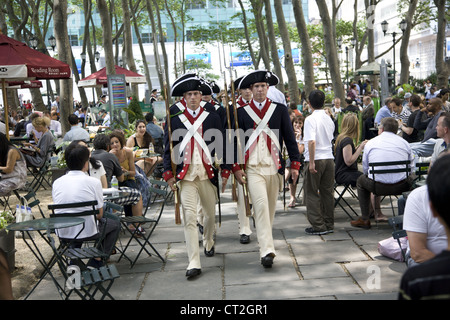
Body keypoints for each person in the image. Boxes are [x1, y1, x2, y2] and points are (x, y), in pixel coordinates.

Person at [162, 74, 231, 278]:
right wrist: (168, 173)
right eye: (189, 94)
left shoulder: (212, 115)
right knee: (190, 217)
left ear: (202, 95)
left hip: (207, 173)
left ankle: (208, 240)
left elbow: (222, 144)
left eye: (196, 93)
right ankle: (193, 261)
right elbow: (168, 147)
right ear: (183, 96)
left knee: (209, 215)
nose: (193, 97)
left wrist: (226, 168)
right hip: (185, 175)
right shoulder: (173, 114)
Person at [232, 70, 300, 267]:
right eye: (256, 87)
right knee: (260, 206)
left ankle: (265, 240)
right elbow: (233, 142)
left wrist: (295, 163)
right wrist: (235, 167)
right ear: (251, 90)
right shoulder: (241, 113)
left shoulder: (279, 110)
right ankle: (267, 250)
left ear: (267, 88)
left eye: (263, 86)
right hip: (252, 169)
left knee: (269, 211)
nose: (260, 90)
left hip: (274, 167)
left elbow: (290, 138)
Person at [52, 142, 121, 267]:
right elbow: (99, 215)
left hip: (63, 232)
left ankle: (74, 261)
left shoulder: (57, 183)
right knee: (115, 224)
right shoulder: (93, 182)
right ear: (85, 163)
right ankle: (97, 261)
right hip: (88, 231)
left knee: (76, 225)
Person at [398, 153, 450, 300]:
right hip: (425, 260)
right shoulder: (419, 197)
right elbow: (418, 253)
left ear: (433, 209)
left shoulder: (416, 280)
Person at [351, 117, 413, 229]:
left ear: (382, 129)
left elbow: (365, 168)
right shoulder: (405, 143)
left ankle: (365, 218)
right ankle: (411, 218)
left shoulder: (371, 143)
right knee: (414, 179)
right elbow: (411, 167)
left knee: (360, 181)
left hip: (377, 186)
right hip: (402, 186)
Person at [301, 90, 335, 235]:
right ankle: (328, 222)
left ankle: (318, 225)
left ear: (309, 103)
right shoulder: (329, 118)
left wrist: (312, 162)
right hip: (329, 157)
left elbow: (312, 141)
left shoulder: (310, 119)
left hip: (316, 158)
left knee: (311, 192)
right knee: (327, 192)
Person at [109, 130, 145, 220]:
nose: (115, 145)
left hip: (129, 179)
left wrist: (126, 171)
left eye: (116, 142)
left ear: (121, 142)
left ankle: (134, 220)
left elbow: (133, 172)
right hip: (116, 181)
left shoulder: (128, 152)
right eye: (112, 143)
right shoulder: (109, 155)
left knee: (130, 188)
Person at [334, 113, 367, 187]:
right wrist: (361, 148)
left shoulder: (342, 137)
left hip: (341, 173)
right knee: (368, 179)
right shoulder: (347, 140)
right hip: (345, 174)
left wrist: (356, 148)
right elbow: (349, 161)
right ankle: (367, 198)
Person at [286, 114, 305, 207]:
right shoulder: (288, 134)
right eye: (296, 122)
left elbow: (299, 152)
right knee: (291, 163)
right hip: (285, 158)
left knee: (293, 163)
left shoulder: (303, 137)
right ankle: (292, 197)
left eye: (300, 123)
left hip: (298, 160)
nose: (297, 125)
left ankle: (282, 185)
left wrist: (297, 138)